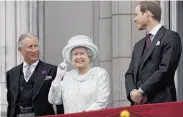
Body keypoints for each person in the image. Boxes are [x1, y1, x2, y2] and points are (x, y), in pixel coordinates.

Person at [125, 1, 182, 105]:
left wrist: (142, 91)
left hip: (161, 104)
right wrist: (133, 92)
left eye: (136, 15)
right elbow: (130, 73)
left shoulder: (170, 37)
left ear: (147, 13)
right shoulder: (138, 45)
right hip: (138, 107)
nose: (134, 19)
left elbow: (166, 70)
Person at [6, 32, 64, 117]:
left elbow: (60, 102)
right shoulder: (11, 73)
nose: (34, 50)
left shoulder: (52, 70)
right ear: (20, 50)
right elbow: (11, 103)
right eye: (30, 47)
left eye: (36, 46)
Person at [48, 35, 110, 114]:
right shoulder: (67, 77)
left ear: (89, 56)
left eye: (82, 53)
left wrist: (83, 115)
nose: (78, 57)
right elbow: (54, 100)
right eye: (75, 54)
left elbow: (102, 102)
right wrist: (58, 77)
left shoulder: (100, 74)